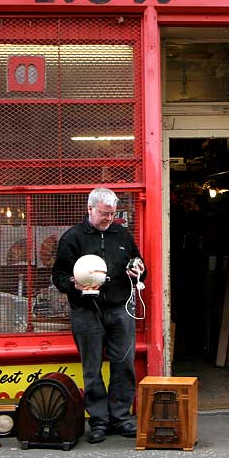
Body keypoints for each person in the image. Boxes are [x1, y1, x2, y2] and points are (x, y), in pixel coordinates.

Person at [52, 187, 145, 443]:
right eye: (104, 213)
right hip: (86, 311)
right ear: (90, 209)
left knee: (124, 365)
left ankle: (121, 417)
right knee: (91, 368)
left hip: (119, 308)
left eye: (113, 214)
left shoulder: (121, 234)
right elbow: (58, 274)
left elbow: (137, 261)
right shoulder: (73, 237)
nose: (109, 218)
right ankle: (99, 421)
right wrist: (74, 285)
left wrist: (139, 270)